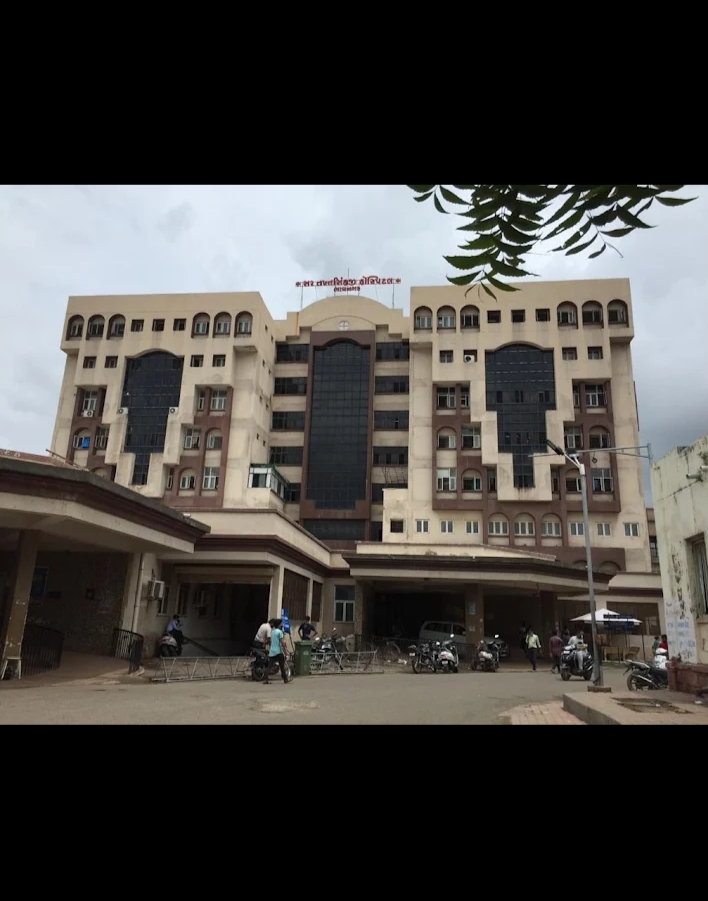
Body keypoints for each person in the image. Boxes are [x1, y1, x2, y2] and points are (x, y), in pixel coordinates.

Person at [263, 618, 289, 685]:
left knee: (269, 666)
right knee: (282, 666)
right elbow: (282, 642)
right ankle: (285, 679)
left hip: (272, 651)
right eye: (281, 624)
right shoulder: (279, 632)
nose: (282, 625)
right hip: (278, 651)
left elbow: (271, 642)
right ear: (279, 624)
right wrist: (285, 650)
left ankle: (265, 679)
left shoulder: (272, 632)